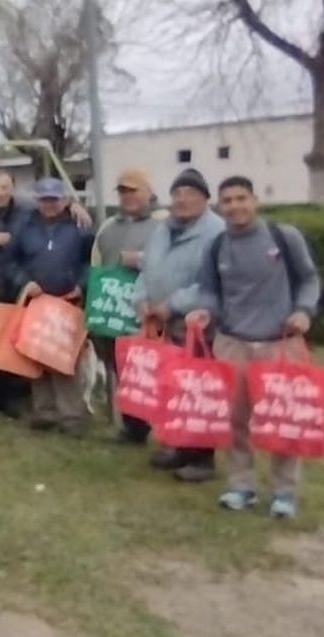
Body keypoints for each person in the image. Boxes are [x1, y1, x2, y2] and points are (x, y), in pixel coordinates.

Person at [188, 175, 321, 519]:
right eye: (228, 201)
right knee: (235, 420)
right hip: (232, 343)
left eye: (241, 198)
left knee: (283, 421)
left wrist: (303, 311)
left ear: (255, 200)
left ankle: (284, 492)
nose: (235, 206)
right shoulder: (216, 246)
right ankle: (241, 486)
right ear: (220, 207)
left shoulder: (283, 236)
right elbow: (209, 290)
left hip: (281, 343)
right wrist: (205, 310)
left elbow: (308, 279)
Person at [0, 171, 91, 418]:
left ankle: (42, 406)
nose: (0, 192)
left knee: (43, 349)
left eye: (5, 187)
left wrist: (76, 205)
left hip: (39, 296)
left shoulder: (32, 210)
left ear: (13, 188)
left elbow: (87, 256)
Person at [133, 168, 226, 483]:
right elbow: (146, 268)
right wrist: (143, 300)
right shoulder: (162, 229)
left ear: (204, 198)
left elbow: (211, 283)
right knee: (173, 388)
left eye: (190, 193)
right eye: (177, 193)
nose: (182, 199)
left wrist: (170, 304)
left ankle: (202, 459)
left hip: (198, 326)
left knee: (199, 391)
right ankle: (178, 447)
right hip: (163, 324)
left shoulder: (216, 232)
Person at [7, 177, 95, 437]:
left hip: (68, 299)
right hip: (37, 300)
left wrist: (83, 284)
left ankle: (72, 416)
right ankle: (44, 412)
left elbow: (93, 260)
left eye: (54, 199)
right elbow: (10, 262)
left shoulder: (81, 225)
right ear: (37, 200)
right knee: (37, 355)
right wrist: (24, 282)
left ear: (64, 199)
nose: (49, 204)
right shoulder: (24, 226)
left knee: (65, 358)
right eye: (44, 199)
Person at [91, 168, 163, 445]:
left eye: (133, 191)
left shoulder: (164, 223)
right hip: (113, 314)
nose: (127, 197)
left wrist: (141, 259)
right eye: (122, 192)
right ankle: (133, 428)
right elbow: (95, 263)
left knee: (152, 372)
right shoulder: (108, 227)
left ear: (148, 191)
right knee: (122, 370)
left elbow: (173, 261)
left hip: (150, 312)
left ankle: (162, 427)